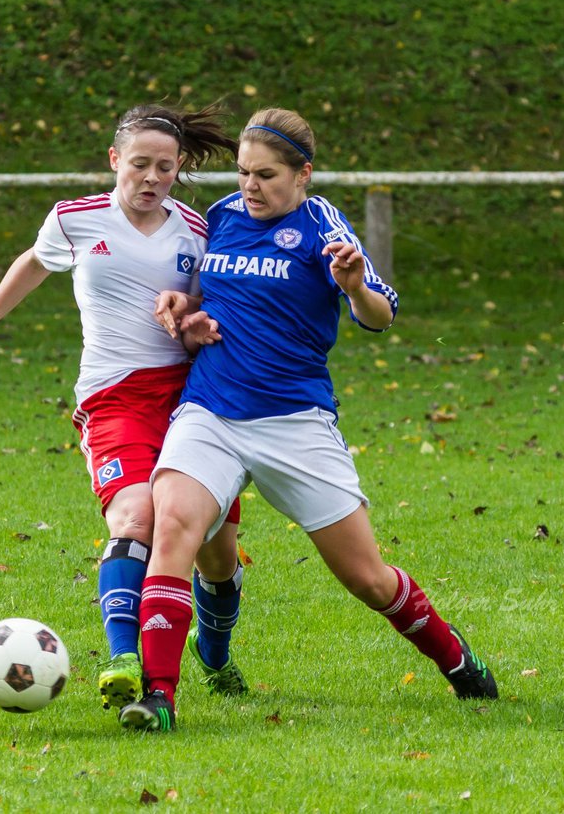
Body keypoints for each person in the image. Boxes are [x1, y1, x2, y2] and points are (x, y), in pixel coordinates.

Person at [118, 107, 498, 733]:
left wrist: (353, 288)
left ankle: (458, 661)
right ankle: (159, 698)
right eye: (243, 173)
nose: (250, 187)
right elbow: (208, 300)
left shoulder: (322, 226)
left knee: (368, 579)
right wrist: (185, 311)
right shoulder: (223, 220)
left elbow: (380, 316)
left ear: (303, 175)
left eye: (265, 175)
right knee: (174, 529)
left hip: (295, 422)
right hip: (210, 410)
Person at [0, 103, 250, 716]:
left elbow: (209, 310)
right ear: (114, 161)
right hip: (115, 397)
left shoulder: (197, 230)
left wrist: (191, 318)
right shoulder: (74, 219)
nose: (151, 177)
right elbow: (33, 263)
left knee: (217, 550)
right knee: (134, 518)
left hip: (193, 400)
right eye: (139, 165)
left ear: (179, 167)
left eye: (164, 166)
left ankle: (214, 652)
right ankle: (124, 660)